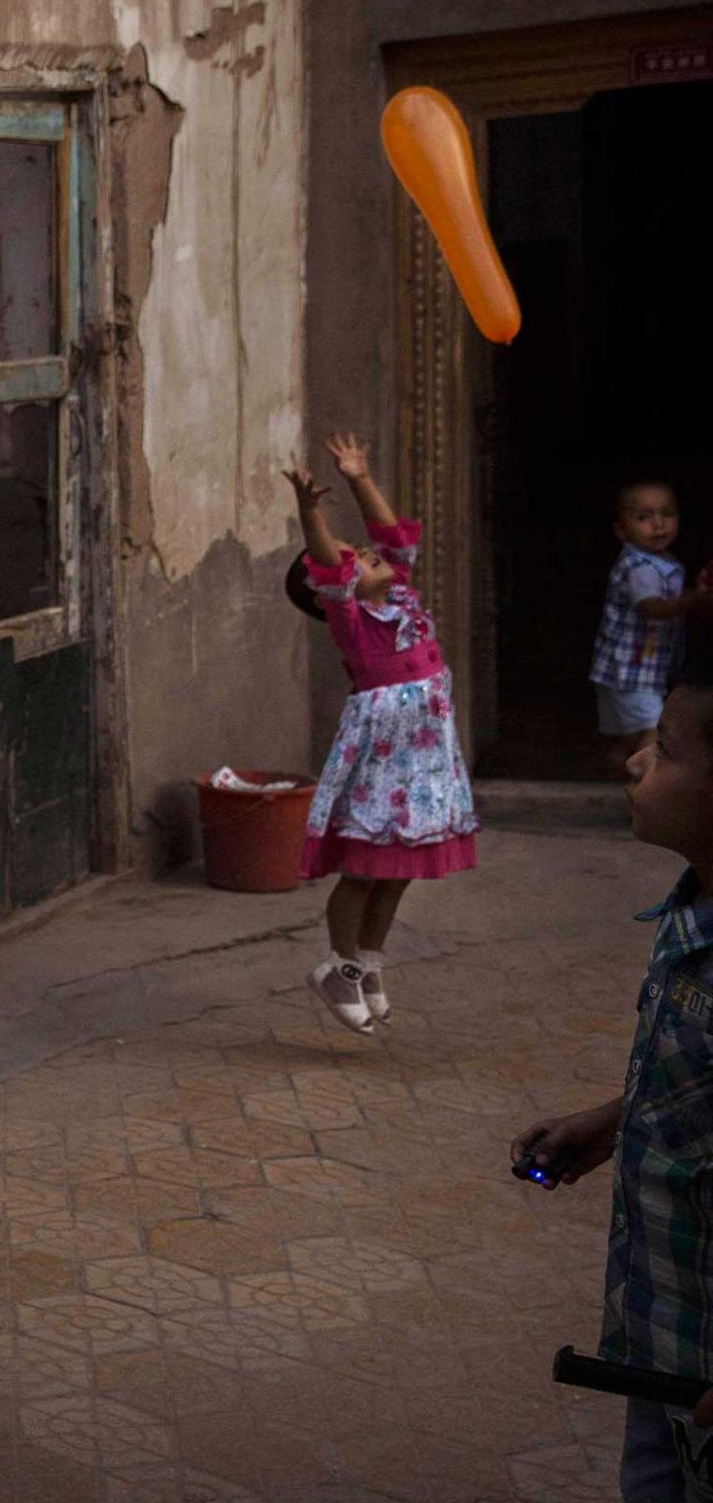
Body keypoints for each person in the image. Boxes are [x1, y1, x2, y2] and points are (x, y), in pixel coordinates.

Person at [509, 646, 713, 1502]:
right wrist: (618, 1117)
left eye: (664, 749)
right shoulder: (688, 906)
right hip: (659, 1342)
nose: (637, 759)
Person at [283, 432, 478, 1034]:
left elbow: (393, 536)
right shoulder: (351, 617)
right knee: (366, 866)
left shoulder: (398, 595)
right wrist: (310, 510)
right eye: (355, 559)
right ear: (329, 595)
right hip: (383, 760)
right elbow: (327, 566)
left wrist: (359, 478)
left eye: (364, 555)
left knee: (402, 867)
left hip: (424, 761)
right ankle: (337, 966)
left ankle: (368, 961)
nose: (368, 555)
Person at [594, 481, 712, 779]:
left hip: (645, 670)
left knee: (630, 740)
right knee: (653, 733)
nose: (658, 524)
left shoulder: (664, 562)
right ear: (622, 530)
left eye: (667, 514)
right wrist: (695, 599)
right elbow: (653, 608)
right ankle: (644, 796)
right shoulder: (639, 567)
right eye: (644, 517)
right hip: (631, 671)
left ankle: (615, 783)